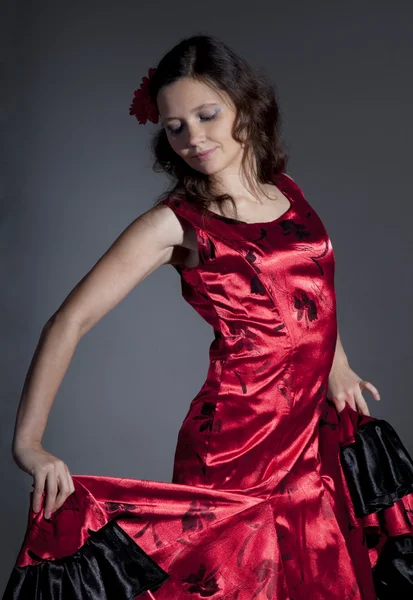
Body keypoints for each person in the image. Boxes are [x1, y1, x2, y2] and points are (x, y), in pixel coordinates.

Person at [4, 34, 413, 600]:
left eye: (206, 114)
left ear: (242, 104)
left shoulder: (288, 192)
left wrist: (337, 364)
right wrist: (29, 444)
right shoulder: (175, 224)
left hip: (308, 435)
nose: (193, 138)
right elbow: (66, 323)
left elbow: (312, 289)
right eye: (175, 126)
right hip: (237, 441)